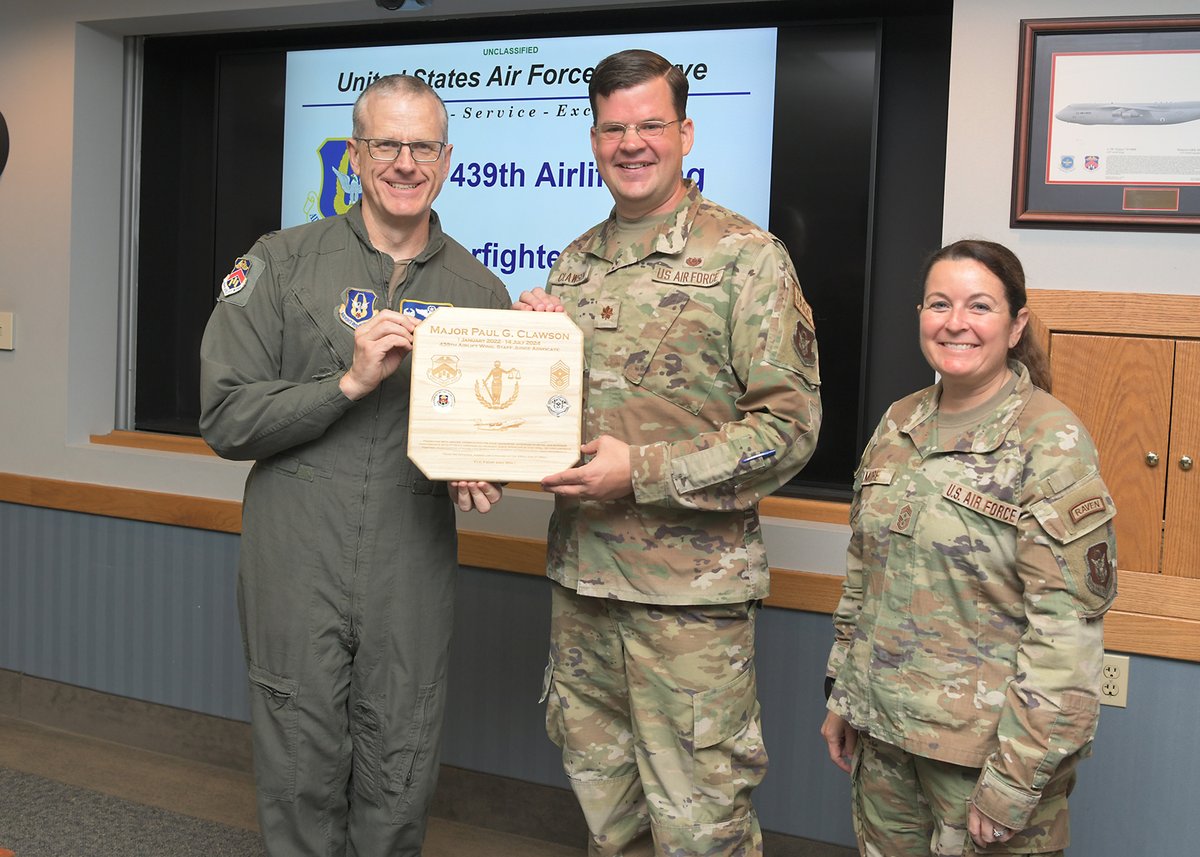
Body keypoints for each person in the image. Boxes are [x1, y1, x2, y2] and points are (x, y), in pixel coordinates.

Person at [516, 49, 822, 856]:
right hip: (582, 588)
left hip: (687, 608)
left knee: (701, 832)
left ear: (684, 131)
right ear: (593, 139)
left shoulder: (746, 259)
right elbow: (562, 422)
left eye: (651, 124)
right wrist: (527, 351)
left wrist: (641, 471)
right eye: (615, 128)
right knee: (608, 823)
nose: (633, 143)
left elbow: (788, 430)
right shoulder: (574, 263)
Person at [199, 74, 510, 856]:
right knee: (298, 761)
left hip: (410, 557)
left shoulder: (481, 292)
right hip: (297, 551)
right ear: (357, 155)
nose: (406, 163)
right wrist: (346, 384)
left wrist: (485, 467)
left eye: (423, 147)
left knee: (401, 762)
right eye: (387, 144)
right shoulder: (280, 263)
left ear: (447, 160)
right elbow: (225, 417)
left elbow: (492, 438)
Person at [820, 239, 1117, 856]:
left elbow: (1066, 634)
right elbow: (863, 580)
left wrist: (1015, 779)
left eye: (979, 306)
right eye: (939, 304)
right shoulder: (899, 424)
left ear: (1016, 325)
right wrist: (843, 696)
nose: (955, 323)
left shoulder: (1049, 441)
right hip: (886, 739)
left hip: (981, 759)